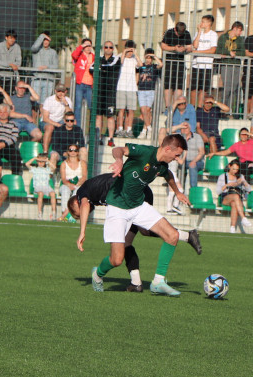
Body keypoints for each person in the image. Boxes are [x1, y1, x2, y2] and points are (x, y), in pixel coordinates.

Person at [79, 136, 198, 296]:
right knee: (117, 260)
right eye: (177, 155)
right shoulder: (144, 152)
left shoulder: (162, 165)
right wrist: (119, 161)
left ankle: (158, 282)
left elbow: (168, 174)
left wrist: (177, 192)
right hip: (117, 208)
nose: (177, 159)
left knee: (172, 235)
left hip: (139, 206)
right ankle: (97, 274)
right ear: (168, 149)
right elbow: (118, 149)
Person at [160, 22, 192, 109]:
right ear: (175, 29)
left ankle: (175, 106)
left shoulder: (187, 34)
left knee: (179, 86)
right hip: (169, 62)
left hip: (180, 63)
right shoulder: (169, 33)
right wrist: (174, 48)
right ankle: (167, 106)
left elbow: (190, 47)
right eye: (178, 33)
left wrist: (184, 48)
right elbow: (163, 46)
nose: (179, 35)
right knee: (168, 85)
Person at [215, 21, 245, 111]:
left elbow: (243, 52)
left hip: (236, 65)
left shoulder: (240, 39)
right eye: (239, 30)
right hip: (226, 65)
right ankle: (223, 108)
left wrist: (234, 53)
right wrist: (228, 53)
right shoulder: (223, 37)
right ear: (234, 29)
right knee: (227, 88)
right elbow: (218, 50)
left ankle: (231, 110)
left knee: (234, 88)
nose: (240, 33)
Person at [95, 41, 121, 145]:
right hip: (99, 91)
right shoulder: (98, 59)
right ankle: (98, 137)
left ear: (113, 49)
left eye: (110, 47)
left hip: (110, 92)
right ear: (103, 48)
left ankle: (110, 138)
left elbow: (111, 67)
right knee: (98, 116)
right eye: (106, 47)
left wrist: (101, 68)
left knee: (110, 116)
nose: (108, 49)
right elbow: (92, 69)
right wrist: (103, 68)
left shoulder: (116, 59)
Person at [216, 159, 253, 233]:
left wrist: (243, 181)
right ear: (229, 166)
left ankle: (232, 228)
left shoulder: (240, 176)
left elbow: (249, 189)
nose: (235, 171)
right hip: (225, 196)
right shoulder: (223, 176)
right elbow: (218, 191)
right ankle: (243, 218)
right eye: (233, 169)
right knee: (235, 197)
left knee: (234, 203)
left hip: (237, 198)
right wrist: (227, 185)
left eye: (236, 169)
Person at [190, 14, 218, 105]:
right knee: (194, 88)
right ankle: (192, 106)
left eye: (203, 21)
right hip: (196, 64)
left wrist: (199, 52)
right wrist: (199, 32)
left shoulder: (213, 35)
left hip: (207, 65)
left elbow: (212, 50)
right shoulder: (198, 33)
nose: (201, 23)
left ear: (209, 23)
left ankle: (199, 107)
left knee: (203, 89)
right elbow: (195, 46)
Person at [114, 40, 139, 138]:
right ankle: (120, 129)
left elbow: (140, 65)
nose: (130, 53)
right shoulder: (120, 56)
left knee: (131, 110)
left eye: (131, 51)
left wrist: (135, 54)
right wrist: (124, 52)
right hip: (121, 87)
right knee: (121, 109)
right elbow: (120, 62)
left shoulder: (134, 59)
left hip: (132, 88)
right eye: (129, 51)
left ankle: (129, 129)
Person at [136, 49, 161, 137]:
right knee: (143, 110)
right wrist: (135, 53)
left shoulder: (154, 67)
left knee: (147, 110)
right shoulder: (141, 66)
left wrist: (154, 56)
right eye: (147, 57)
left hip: (150, 91)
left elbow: (161, 64)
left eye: (150, 58)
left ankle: (144, 130)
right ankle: (149, 128)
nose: (148, 60)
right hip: (141, 90)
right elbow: (138, 62)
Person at [40, 83, 72, 153]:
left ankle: (67, 151)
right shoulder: (49, 100)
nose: (60, 93)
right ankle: (45, 152)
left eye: (62, 91)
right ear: (55, 91)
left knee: (70, 125)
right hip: (47, 122)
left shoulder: (67, 100)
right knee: (50, 127)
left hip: (60, 121)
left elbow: (70, 115)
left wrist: (66, 104)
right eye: (59, 91)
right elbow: (45, 118)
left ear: (66, 92)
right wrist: (57, 125)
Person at [58, 144, 86, 218]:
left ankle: (64, 216)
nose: (73, 152)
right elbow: (63, 179)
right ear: (68, 152)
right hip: (67, 184)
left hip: (79, 184)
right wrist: (70, 185)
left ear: (77, 152)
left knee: (77, 191)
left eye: (75, 150)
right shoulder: (64, 164)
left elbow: (84, 177)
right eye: (70, 150)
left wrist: (77, 185)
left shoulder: (82, 163)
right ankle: (65, 212)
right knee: (65, 191)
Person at [26, 153, 58, 220]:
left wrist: (47, 161)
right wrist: (35, 158)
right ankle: (39, 213)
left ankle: (54, 212)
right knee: (40, 193)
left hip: (46, 187)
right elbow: (27, 164)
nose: (40, 163)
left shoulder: (47, 170)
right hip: (38, 187)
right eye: (39, 161)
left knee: (53, 194)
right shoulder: (35, 169)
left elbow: (54, 167)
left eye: (42, 162)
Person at [71, 38, 95, 122]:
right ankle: (78, 128)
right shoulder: (79, 55)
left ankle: (91, 129)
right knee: (78, 106)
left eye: (90, 46)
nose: (88, 47)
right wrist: (81, 46)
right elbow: (74, 55)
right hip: (80, 84)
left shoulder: (93, 56)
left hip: (90, 85)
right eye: (86, 45)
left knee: (91, 107)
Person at [30, 31, 59, 102]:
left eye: (47, 40)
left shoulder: (53, 52)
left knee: (45, 102)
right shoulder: (36, 51)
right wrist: (42, 36)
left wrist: (47, 67)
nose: (45, 42)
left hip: (48, 80)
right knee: (35, 101)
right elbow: (34, 47)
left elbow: (55, 66)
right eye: (44, 40)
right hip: (37, 79)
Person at [178, 122, 205, 189]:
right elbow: (167, 130)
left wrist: (194, 161)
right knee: (176, 165)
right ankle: (179, 188)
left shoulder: (197, 137)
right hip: (183, 161)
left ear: (190, 129)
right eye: (182, 128)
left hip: (197, 161)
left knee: (192, 166)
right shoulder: (178, 137)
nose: (184, 130)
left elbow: (201, 152)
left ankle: (193, 189)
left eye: (186, 128)